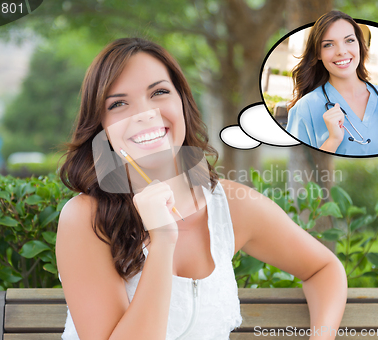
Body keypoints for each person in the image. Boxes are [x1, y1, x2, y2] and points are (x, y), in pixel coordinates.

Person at [56, 37, 347, 340]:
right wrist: (163, 240)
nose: (145, 113)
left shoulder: (231, 205)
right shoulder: (86, 219)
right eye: (118, 103)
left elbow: (324, 269)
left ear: (182, 101)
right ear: (102, 127)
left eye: (159, 92)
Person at [285, 11, 378, 156]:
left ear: (360, 45)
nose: (342, 51)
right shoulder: (305, 108)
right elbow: (297, 171)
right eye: (328, 45)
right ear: (318, 53)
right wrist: (333, 140)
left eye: (349, 40)